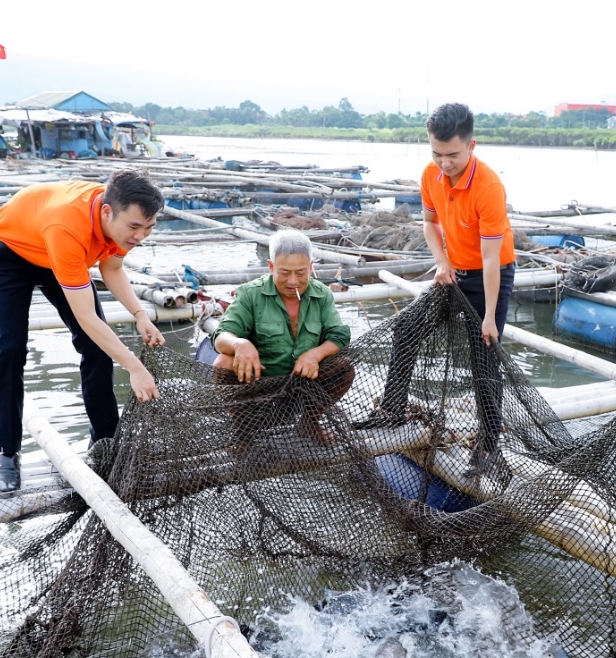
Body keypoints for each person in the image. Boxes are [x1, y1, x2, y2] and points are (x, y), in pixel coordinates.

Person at [0, 169, 166, 493]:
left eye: (148, 228)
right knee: (9, 349)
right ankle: (7, 454)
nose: (140, 236)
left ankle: (105, 445)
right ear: (107, 212)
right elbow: (87, 317)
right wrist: (135, 367)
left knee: (96, 349)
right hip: (11, 252)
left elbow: (112, 267)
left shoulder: (123, 223)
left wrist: (140, 315)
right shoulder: (68, 226)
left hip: (58, 252)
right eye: (135, 227)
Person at [355, 103, 516, 469]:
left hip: (489, 275)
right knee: (406, 327)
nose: (444, 163)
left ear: (471, 145)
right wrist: (442, 262)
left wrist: (489, 318)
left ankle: (489, 446)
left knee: (484, 355)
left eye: (452, 155)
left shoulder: (488, 187)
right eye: (437, 154)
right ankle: (391, 410)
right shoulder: (431, 175)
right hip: (453, 272)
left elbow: (492, 259)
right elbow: (430, 223)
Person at [210, 229, 354, 446]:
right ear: (271, 266)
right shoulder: (250, 294)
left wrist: (315, 355)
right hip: (258, 385)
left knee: (343, 367)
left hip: (305, 382)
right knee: (223, 363)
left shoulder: (322, 294)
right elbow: (221, 337)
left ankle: (309, 422)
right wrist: (240, 344)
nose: (293, 281)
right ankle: (243, 431)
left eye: (301, 273)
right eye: (285, 273)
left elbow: (340, 335)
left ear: (311, 267)